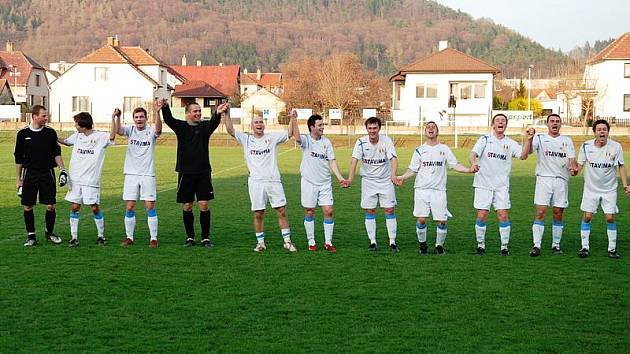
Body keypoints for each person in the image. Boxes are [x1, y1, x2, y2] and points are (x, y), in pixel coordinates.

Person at [223, 108, 298, 253]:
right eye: (256, 122)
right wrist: (227, 114)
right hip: (256, 182)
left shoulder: (272, 137)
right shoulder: (246, 139)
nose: (259, 124)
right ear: (252, 126)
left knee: (281, 211)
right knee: (258, 213)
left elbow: (289, 133)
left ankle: (287, 242)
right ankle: (260, 243)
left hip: (273, 181)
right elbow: (231, 130)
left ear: (264, 125)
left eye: (261, 122)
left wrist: (292, 119)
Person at [395, 121, 477, 255]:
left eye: (433, 127)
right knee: (421, 219)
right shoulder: (419, 150)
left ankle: (439, 246)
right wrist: (402, 177)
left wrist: (469, 170)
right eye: (428, 127)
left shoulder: (444, 149)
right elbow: (412, 169)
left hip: (439, 191)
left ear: (437, 132)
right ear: (425, 132)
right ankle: (423, 245)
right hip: (421, 190)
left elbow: (454, 164)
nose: (430, 129)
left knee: (442, 221)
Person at [161, 100, 228, 248]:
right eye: (195, 111)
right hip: (185, 173)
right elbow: (168, 119)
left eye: (199, 111)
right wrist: (165, 107)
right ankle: (190, 237)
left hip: (203, 172)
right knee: (187, 205)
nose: (198, 113)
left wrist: (218, 111)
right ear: (188, 114)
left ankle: (205, 238)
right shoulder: (181, 127)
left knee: (204, 204)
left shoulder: (204, 127)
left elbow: (214, 122)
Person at [469, 113, 528, 256]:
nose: (500, 122)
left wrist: (528, 139)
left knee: (502, 214)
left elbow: (523, 155)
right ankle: (480, 245)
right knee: (482, 215)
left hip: (501, 186)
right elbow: (473, 154)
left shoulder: (511, 143)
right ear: (493, 125)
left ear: (506, 125)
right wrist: (474, 163)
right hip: (483, 184)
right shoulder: (484, 139)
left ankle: (504, 247)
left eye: (503, 120)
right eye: (497, 120)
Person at [521, 114, 577, 257]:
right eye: (552, 121)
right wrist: (528, 139)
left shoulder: (567, 140)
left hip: (561, 180)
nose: (555, 124)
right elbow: (526, 154)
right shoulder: (539, 138)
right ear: (547, 124)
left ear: (560, 124)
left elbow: (572, 160)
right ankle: (536, 245)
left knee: (558, 213)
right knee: (541, 212)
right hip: (544, 179)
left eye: (557, 122)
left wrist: (573, 168)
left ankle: (556, 245)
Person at [574, 119, 630, 259]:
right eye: (599, 129)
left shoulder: (615, 147)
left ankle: (612, 249)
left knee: (610, 218)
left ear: (608, 132)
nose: (602, 132)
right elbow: (579, 165)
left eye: (604, 129)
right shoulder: (586, 146)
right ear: (594, 132)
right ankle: (584, 247)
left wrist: (625, 185)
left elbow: (621, 166)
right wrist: (575, 171)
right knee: (587, 216)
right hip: (590, 189)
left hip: (609, 189)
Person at [14, 105, 67, 246]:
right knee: (27, 205)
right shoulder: (22, 134)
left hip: (47, 173)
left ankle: (49, 233)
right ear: (34, 116)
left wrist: (62, 169)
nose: (46, 118)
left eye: (46, 115)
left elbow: (56, 153)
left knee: (50, 205)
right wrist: (18, 179)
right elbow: (18, 158)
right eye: (43, 116)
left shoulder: (50, 133)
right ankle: (31, 236)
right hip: (29, 173)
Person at [60, 111, 116, 247]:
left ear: (83, 125)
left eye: (76, 123)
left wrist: (113, 118)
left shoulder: (100, 136)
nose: (75, 125)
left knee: (95, 208)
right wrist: (50, 135)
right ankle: (74, 237)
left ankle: (101, 236)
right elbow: (66, 142)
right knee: (74, 207)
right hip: (75, 179)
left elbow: (112, 136)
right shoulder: (77, 136)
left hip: (90, 180)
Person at [294, 113, 348, 253]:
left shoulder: (326, 142)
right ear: (312, 127)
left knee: (328, 211)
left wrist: (340, 177)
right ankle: (311, 241)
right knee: (310, 211)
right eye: (320, 125)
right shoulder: (306, 140)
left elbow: (332, 161)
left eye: (323, 125)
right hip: (309, 182)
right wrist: (293, 119)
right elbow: (297, 137)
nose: (323, 127)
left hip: (325, 183)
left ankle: (328, 243)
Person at [113, 102, 162, 248]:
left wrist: (158, 112)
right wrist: (118, 117)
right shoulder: (131, 129)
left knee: (149, 206)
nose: (139, 119)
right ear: (133, 119)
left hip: (147, 174)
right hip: (131, 174)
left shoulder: (151, 130)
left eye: (141, 117)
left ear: (146, 118)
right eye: (136, 117)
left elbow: (159, 129)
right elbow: (118, 130)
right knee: (129, 206)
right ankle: (129, 237)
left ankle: (153, 238)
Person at [347, 117, 399, 252]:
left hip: (385, 180)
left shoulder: (387, 141)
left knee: (389, 209)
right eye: (370, 128)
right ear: (366, 129)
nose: (372, 131)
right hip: (368, 181)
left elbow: (393, 159)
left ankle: (392, 242)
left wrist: (393, 175)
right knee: (370, 210)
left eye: (375, 128)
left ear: (379, 128)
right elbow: (354, 161)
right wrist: (350, 178)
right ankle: (373, 242)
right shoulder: (360, 142)